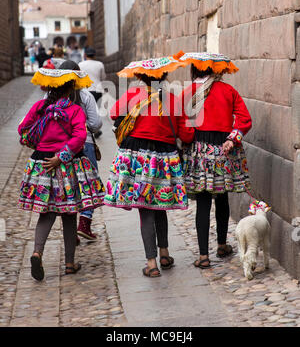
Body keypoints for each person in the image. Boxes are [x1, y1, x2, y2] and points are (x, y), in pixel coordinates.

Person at [104, 54, 194, 278]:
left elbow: (114, 113)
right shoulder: (174, 99)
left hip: (137, 157)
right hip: (165, 157)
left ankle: (152, 263)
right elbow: (185, 133)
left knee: (145, 209)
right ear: (164, 75)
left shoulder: (134, 93)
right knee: (160, 205)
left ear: (140, 76)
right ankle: (164, 253)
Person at [18, 67, 106, 281]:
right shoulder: (74, 110)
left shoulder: (40, 107)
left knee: (45, 213)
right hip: (66, 166)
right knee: (69, 213)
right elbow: (79, 137)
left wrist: (38, 141)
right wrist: (62, 155)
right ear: (69, 90)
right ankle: (69, 263)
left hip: (42, 164)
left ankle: (37, 252)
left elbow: (23, 129)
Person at [179, 52, 252, 270]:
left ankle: (203, 256)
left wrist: (188, 140)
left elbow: (184, 130)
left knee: (202, 203)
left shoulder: (187, 93)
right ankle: (222, 244)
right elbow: (245, 119)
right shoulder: (228, 90)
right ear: (214, 69)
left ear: (194, 69)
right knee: (221, 197)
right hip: (223, 151)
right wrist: (232, 138)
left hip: (199, 152)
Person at [58, 60, 103, 241]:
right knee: (89, 184)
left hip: (60, 146)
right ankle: (84, 223)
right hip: (85, 144)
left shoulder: (50, 97)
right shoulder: (85, 95)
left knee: (65, 185)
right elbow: (95, 123)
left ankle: (70, 233)